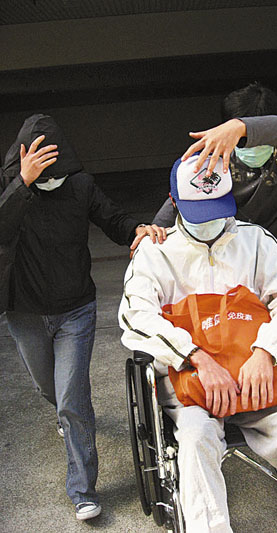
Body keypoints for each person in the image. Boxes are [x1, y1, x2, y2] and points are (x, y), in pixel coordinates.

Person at [119, 154, 277, 532]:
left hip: (258, 381)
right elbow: (135, 316)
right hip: (194, 389)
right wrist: (195, 357)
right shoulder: (156, 253)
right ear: (175, 203)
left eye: (216, 209)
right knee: (196, 439)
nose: (209, 222)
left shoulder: (256, 242)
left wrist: (265, 352)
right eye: (198, 212)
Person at [0, 114, 166, 520]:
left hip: (75, 309)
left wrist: (138, 229)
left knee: (73, 400)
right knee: (50, 390)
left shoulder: (80, 186)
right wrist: (22, 184)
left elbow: (113, 218)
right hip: (26, 312)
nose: (51, 181)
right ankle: (66, 417)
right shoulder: (9, 188)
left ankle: (82, 491)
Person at [152, 82, 277, 425]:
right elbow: (186, 193)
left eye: (251, 137)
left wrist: (241, 129)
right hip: (257, 260)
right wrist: (154, 229)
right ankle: (268, 412)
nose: (249, 148)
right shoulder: (219, 154)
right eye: (240, 142)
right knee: (251, 334)